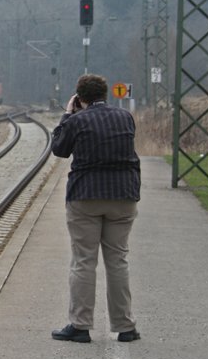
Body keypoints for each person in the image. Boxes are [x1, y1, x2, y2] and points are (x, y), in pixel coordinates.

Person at [50, 74, 141, 343]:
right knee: (118, 261)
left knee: (84, 261)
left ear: (79, 98)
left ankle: (80, 326)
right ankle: (125, 327)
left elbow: (59, 149)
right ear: (106, 95)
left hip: (86, 197)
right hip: (123, 196)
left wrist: (67, 115)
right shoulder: (125, 117)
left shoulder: (77, 120)